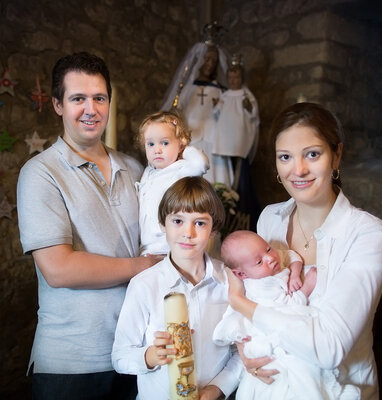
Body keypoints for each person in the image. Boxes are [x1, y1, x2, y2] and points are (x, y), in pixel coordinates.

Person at [16, 52, 160, 400]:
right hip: (73, 362)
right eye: (78, 98)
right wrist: (145, 267)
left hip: (137, 351)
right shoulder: (40, 173)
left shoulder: (136, 169)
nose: (90, 109)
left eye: (99, 98)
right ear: (57, 105)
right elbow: (59, 269)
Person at [225, 103, 382, 400]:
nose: (298, 170)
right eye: (285, 157)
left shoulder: (366, 234)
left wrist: (240, 303)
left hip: (338, 389)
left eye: (312, 154)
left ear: (336, 155)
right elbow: (256, 295)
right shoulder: (270, 219)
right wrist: (245, 352)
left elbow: (329, 347)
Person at [112, 176, 241, 400]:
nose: (188, 233)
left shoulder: (230, 281)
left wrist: (217, 389)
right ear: (163, 223)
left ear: (213, 229)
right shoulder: (144, 285)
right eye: (178, 221)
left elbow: (240, 351)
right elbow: (120, 356)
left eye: (199, 223)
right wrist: (151, 356)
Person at [214, 230, 361, 400]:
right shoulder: (260, 287)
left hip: (300, 334)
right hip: (272, 337)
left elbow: (291, 255)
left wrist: (295, 274)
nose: (270, 258)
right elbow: (287, 310)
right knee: (300, 373)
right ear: (241, 274)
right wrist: (307, 287)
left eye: (268, 249)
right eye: (259, 261)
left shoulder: (269, 263)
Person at [161, 22, 233, 187]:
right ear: (199, 60)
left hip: (214, 140)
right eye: (207, 59)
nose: (210, 64)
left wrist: (221, 109)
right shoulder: (186, 89)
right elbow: (175, 111)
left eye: (213, 61)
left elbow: (229, 118)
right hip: (192, 137)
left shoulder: (220, 90)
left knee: (217, 180)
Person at [136, 110, 209, 256]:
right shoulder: (148, 172)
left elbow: (201, 164)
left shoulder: (180, 169)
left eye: (165, 143)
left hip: (169, 244)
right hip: (147, 245)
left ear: (180, 145)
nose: (157, 150)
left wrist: (184, 149)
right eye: (150, 144)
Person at [212, 57, 261, 229]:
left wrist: (249, 107)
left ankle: (242, 214)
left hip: (239, 141)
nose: (233, 81)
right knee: (226, 173)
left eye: (236, 78)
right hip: (224, 140)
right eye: (230, 78)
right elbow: (216, 113)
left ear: (241, 78)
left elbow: (253, 115)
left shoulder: (247, 95)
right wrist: (215, 106)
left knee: (240, 175)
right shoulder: (224, 95)